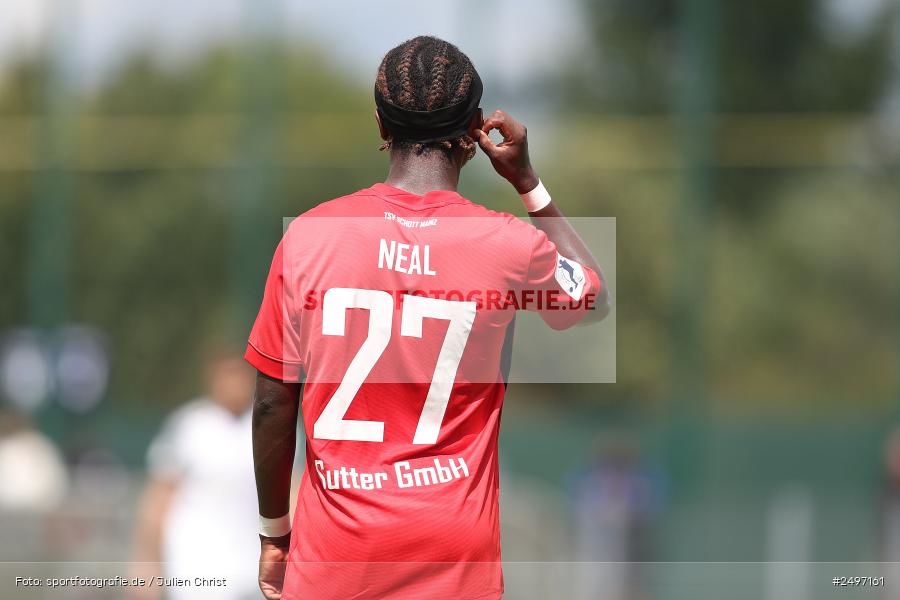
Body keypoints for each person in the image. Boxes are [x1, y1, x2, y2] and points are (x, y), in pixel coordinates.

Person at [247, 35, 611, 600]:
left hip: (335, 556)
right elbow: (591, 298)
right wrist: (528, 182)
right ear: (476, 131)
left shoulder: (309, 239)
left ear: (379, 122)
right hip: (453, 558)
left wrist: (275, 535)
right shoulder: (507, 245)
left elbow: (273, 402)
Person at [130, 350, 260, 600]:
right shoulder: (189, 425)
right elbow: (160, 495)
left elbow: (293, 496)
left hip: (253, 570)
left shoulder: (274, 425)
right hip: (196, 567)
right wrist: (146, 562)